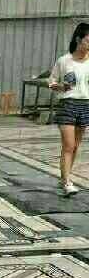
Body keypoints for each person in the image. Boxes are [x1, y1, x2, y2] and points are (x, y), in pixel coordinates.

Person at [49, 22, 89, 196]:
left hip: (85, 104)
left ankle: (64, 178)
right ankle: (67, 183)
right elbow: (51, 82)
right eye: (88, 41)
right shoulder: (64, 61)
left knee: (75, 147)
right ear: (79, 40)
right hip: (67, 105)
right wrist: (61, 87)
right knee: (68, 145)